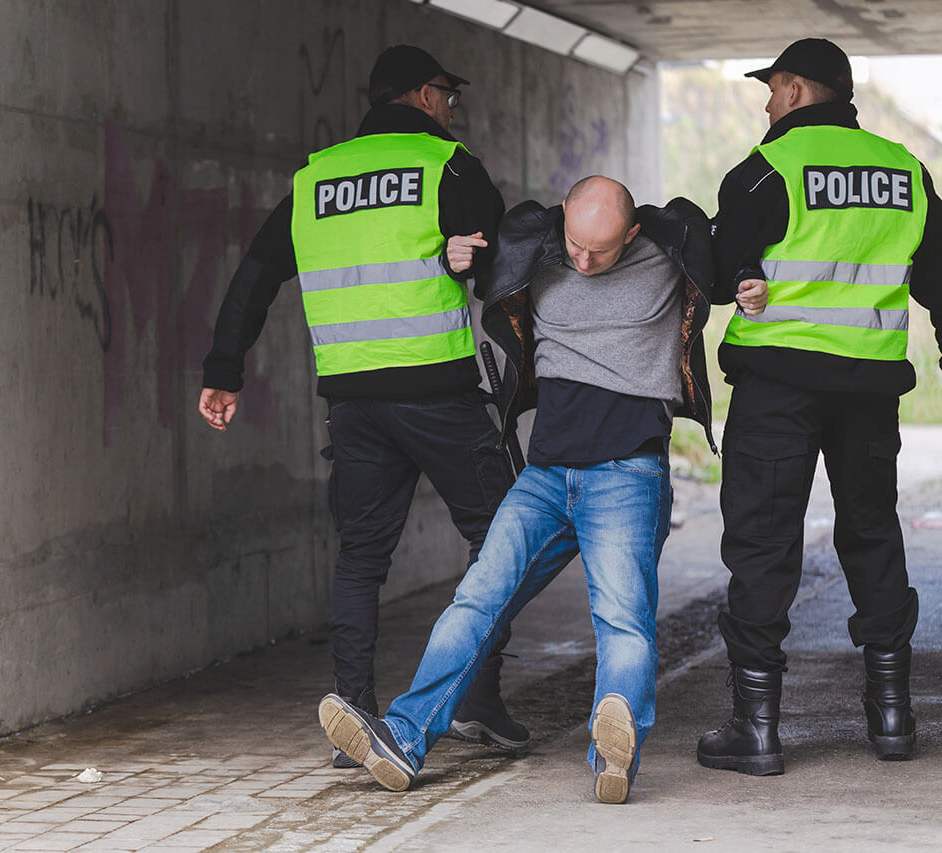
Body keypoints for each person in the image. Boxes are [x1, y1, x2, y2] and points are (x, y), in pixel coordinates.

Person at [318, 176, 726, 803]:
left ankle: (612, 752)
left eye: (602, 250)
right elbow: (490, 253)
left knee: (623, 621)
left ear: (634, 232)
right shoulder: (536, 253)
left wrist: (747, 281)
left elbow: (715, 246)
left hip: (626, 475)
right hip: (543, 477)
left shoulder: (670, 258)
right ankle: (402, 738)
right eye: (576, 245)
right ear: (562, 219)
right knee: (475, 602)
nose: (584, 262)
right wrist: (453, 256)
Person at [198, 45, 529, 766]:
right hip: (437, 390)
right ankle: (473, 697)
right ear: (419, 95)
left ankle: (355, 710)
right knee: (507, 534)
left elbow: (255, 275)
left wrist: (225, 368)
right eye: (447, 93)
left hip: (351, 399)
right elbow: (503, 266)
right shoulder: (448, 166)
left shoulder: (316, 180)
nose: (452, 107)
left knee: (360, 559)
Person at [697, 38, 942, 776]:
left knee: (765, 537)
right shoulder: (907, 171)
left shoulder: (767, 168)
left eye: (771, 90)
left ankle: (758, 728)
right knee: (871, 529)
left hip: (777, 387)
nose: (768, 104)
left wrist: (737, 272)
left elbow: (712, 276)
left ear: (798, 89)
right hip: (867, 389)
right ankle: (892, 718)